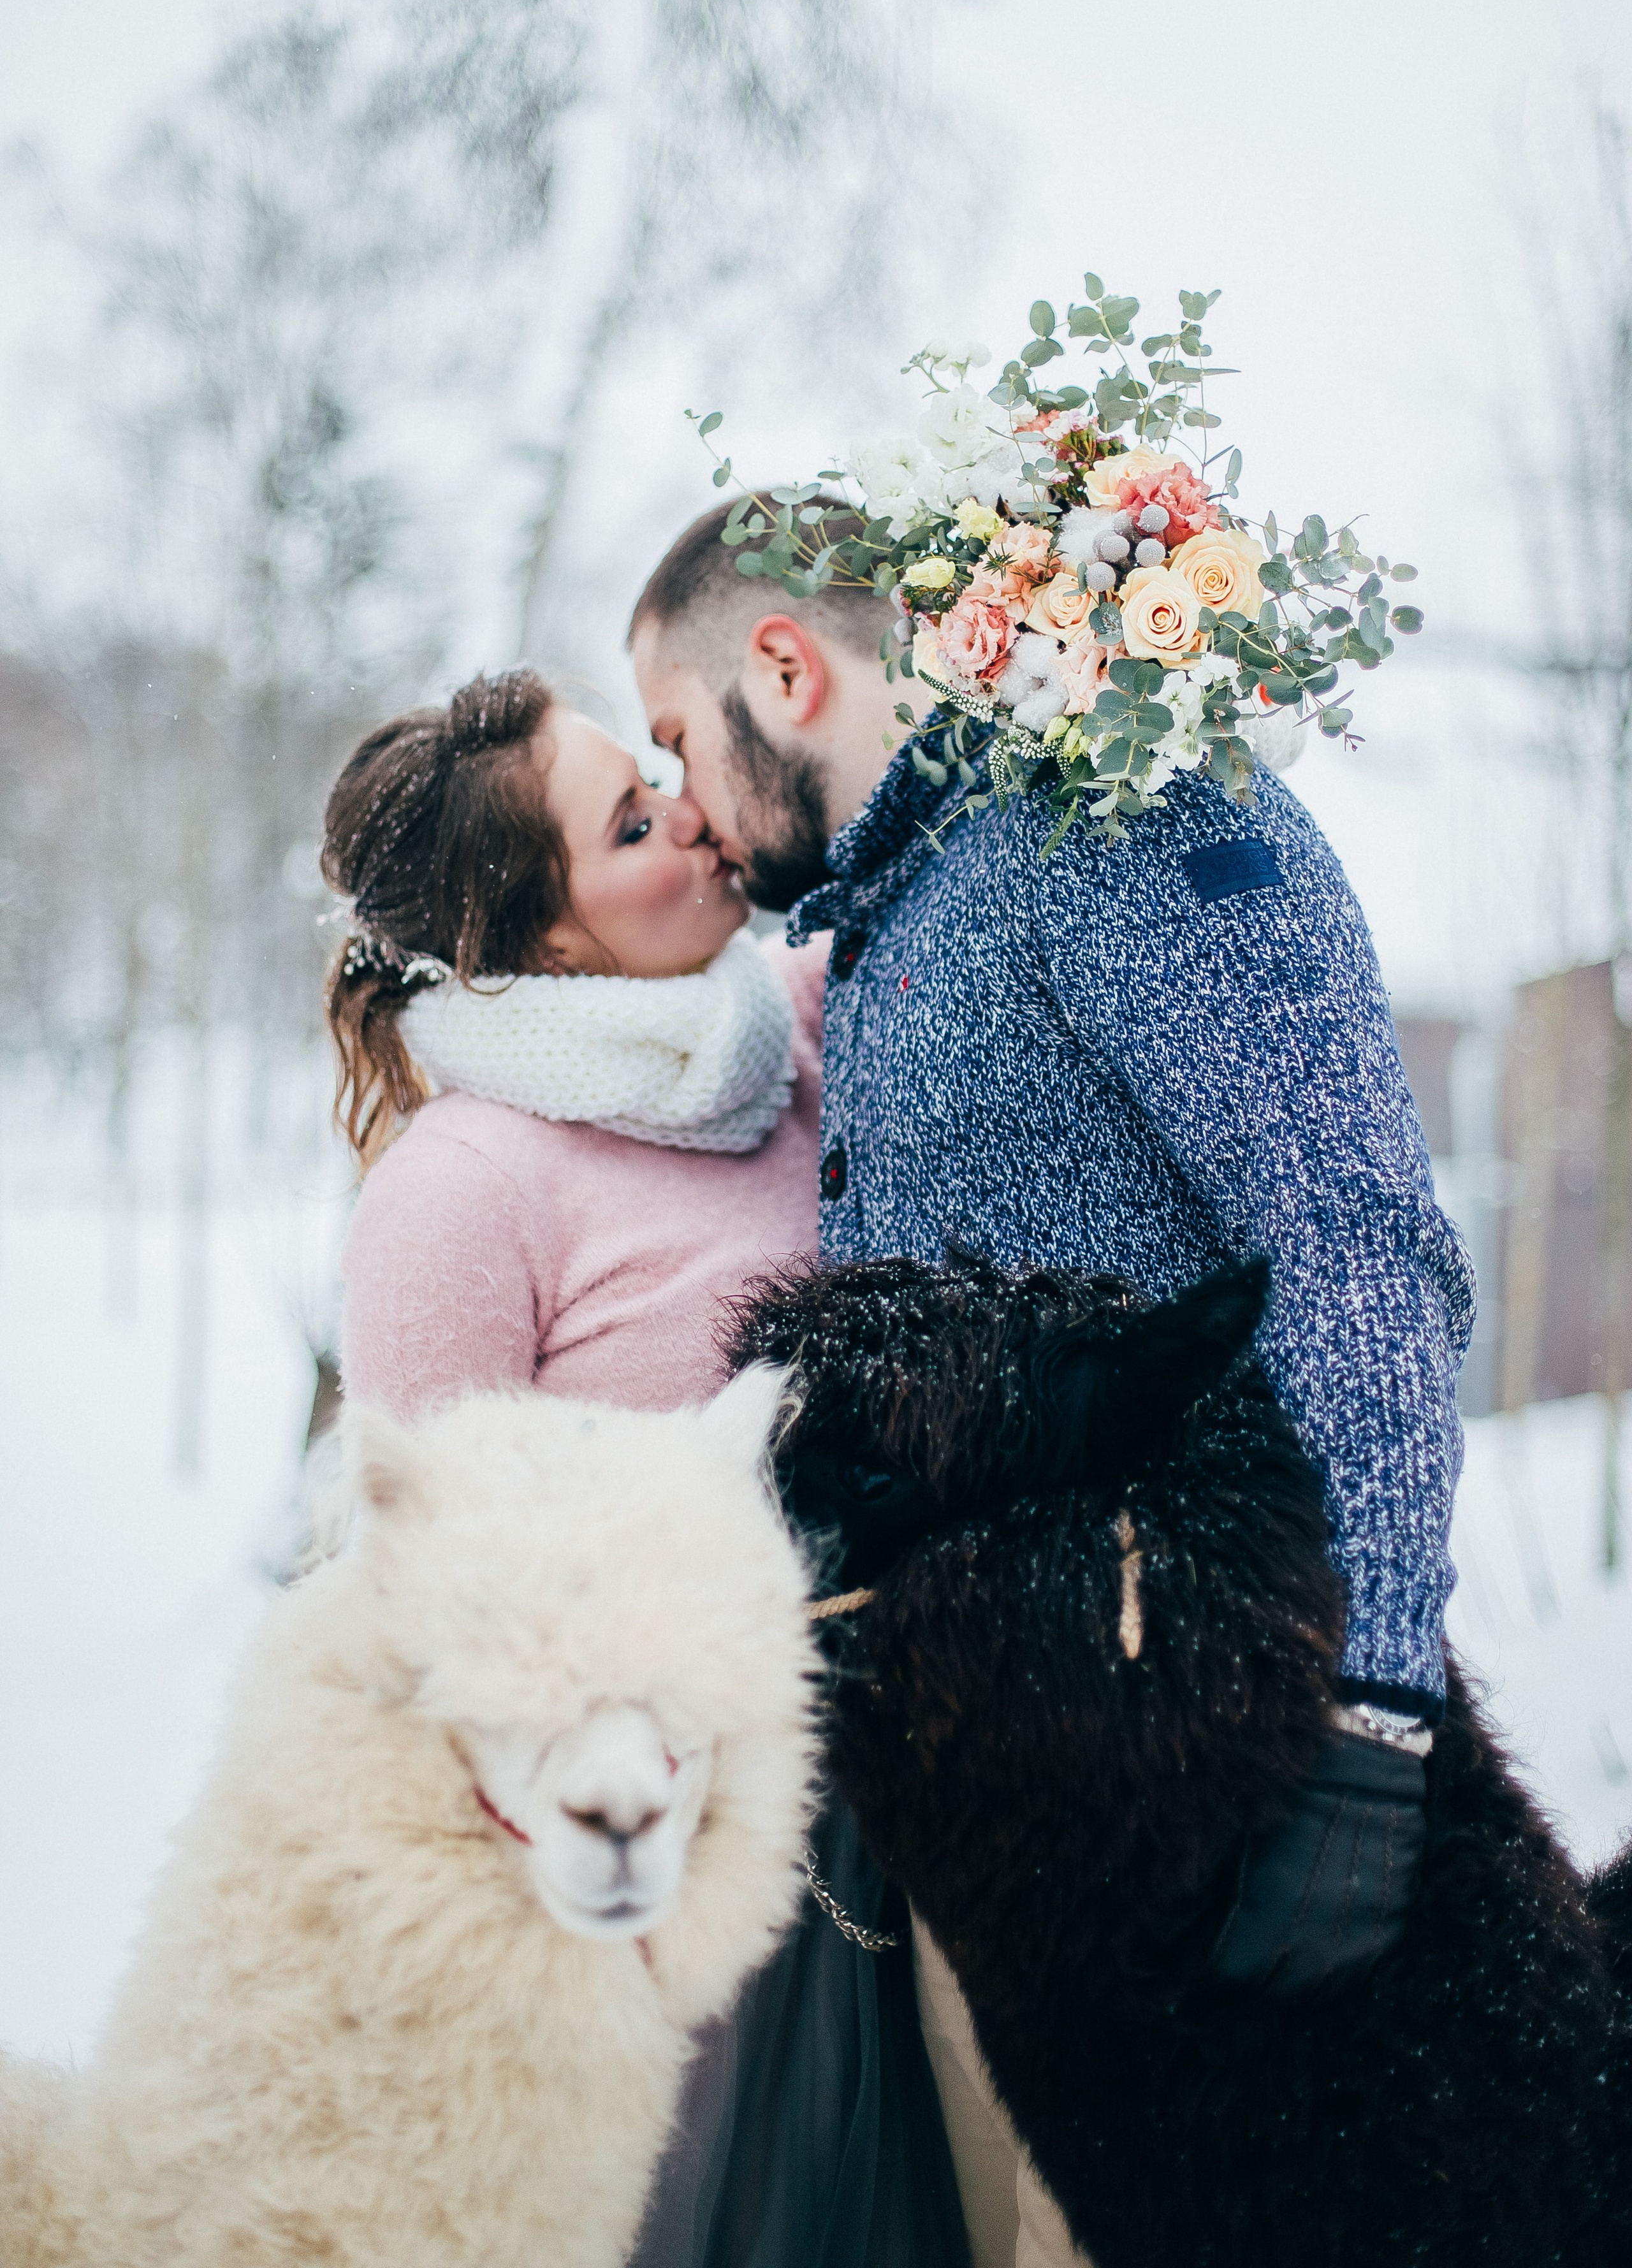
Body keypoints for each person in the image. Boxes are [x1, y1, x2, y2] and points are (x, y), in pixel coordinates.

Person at [629, 499, 1477, 2257]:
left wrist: (1372, 1719)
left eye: (672, 739)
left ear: (780, 666)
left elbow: (1351, 1239)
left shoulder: (1129, 820)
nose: (684, 804)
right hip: (985, 1823)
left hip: (1198, 1779)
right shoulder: (895, 916)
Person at [320, 665, 968, 2268]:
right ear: (541, 943)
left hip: (923, 1810)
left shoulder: (793, 1035)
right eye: (629, 823)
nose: (690, 813)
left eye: (654, 777)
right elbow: (423, 1613)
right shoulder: (464, 1190)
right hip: (667, 1877)